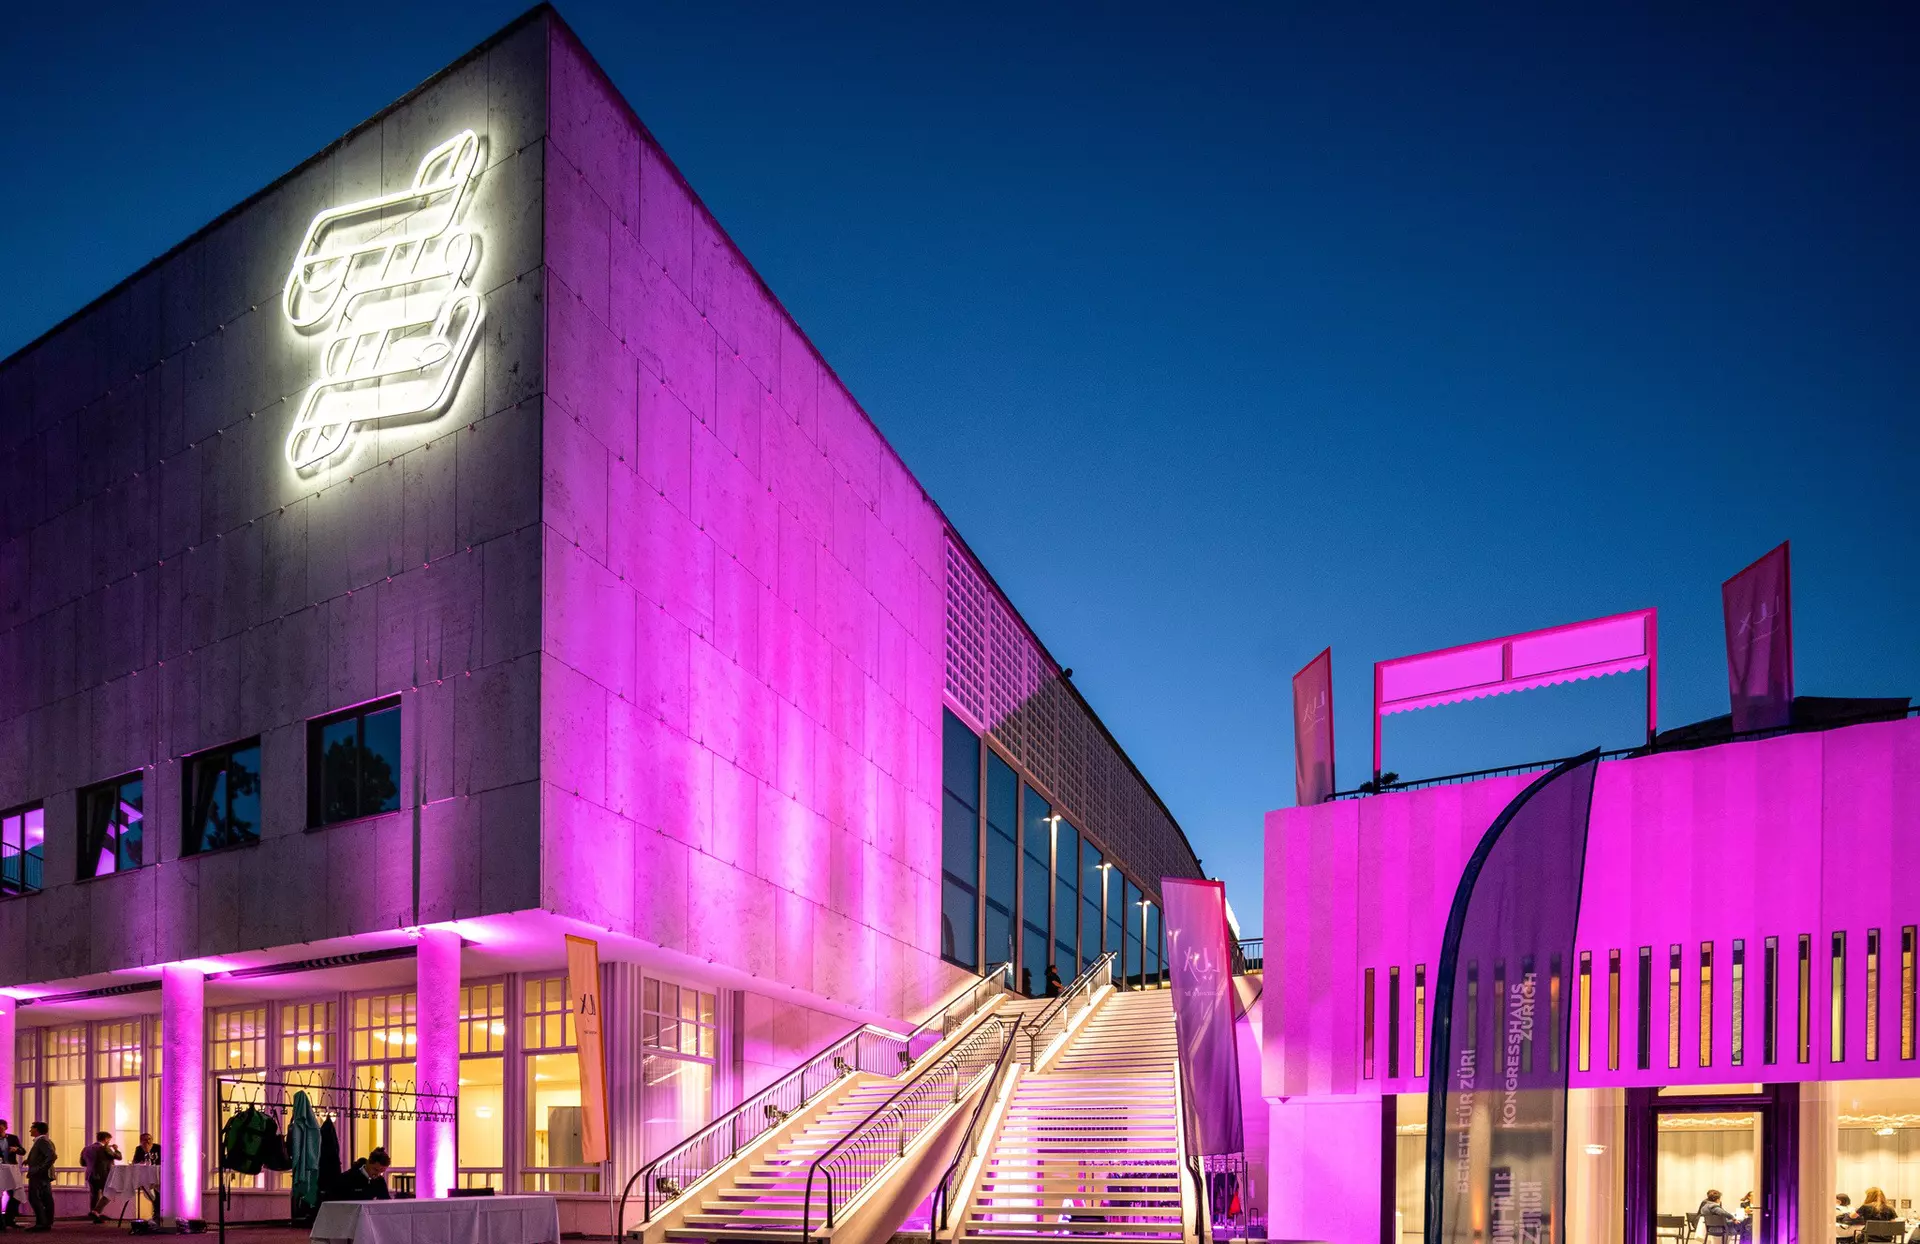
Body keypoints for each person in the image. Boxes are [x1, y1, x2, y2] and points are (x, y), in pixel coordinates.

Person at [78, 1133, 120, 1223]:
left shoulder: (86, 1149)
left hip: (90, 1175)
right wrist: (116, 1149)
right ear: (106, 1139)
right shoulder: (105, 1148)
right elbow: (119, 1157)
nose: (109, 1142)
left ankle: (95, 1218)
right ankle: (96, 1211)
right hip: (104, 1175)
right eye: (109, 1140)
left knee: (94, 1196)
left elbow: (82, 1163)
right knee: (110, 1193)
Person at [23, 1123, 55, 1233]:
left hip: (39, 1174)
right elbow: (45, 1156)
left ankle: (41, 1223)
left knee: (35, 1198)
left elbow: (51, 1156)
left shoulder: (41, 1141)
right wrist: (30, 1160)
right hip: (43, 1174)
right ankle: (46, 1222)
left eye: (31, 1128)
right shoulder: (45, 1140)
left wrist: (40, 1169)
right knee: (46, 1198)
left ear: (37, 1130)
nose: (30, 1130)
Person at [0, 1121, 23, 1230]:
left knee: (15, 1194)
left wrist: (16, 1149)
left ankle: (9, 1219)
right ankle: (1, 1223)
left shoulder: (13, 1138)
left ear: (5, 1128)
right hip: (0, 1169)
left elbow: (23, 1151)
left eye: (1, 1128)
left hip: (11, 1169)